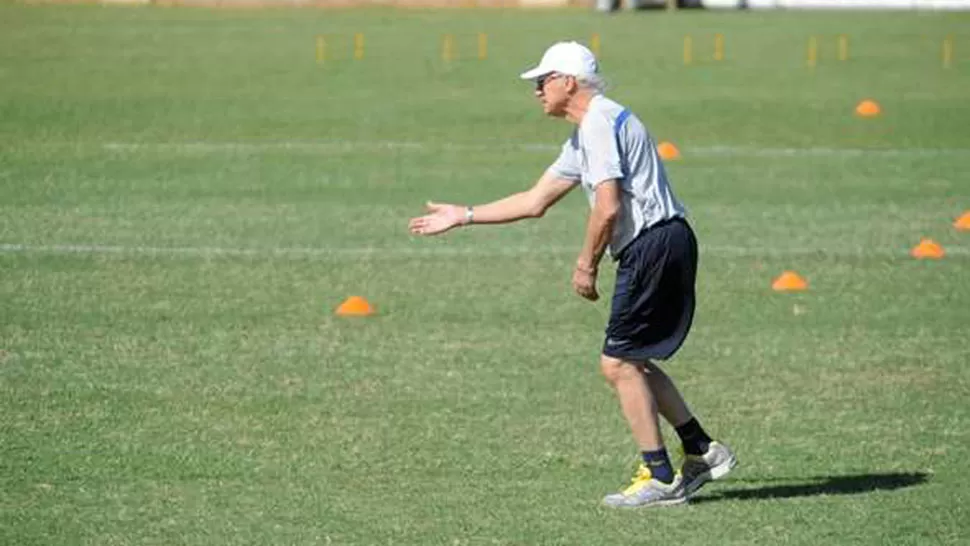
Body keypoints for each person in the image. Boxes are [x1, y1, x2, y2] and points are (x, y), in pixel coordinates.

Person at [408, 41, 737, 508]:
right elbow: (534, 201)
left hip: (652, 244)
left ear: (568, 81)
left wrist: (586, 263)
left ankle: (661, 478)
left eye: (542, 81)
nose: (537, 91)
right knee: (632, 360)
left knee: (618, 363)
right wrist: (462, 215)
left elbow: (608, 207)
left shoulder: (600, 123)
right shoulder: (588, 132)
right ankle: (702, 449)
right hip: (666, 240)